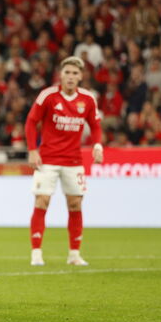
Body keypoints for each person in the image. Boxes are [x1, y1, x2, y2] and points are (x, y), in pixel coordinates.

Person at [26, 56, 104, 266]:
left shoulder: (87, 99)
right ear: (61, 75)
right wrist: (33, 150)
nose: (71, 77)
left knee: (75, 204)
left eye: (75, 73)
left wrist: (97, 145)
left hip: (73, 160)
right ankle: (36, 253)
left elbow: (95, 126)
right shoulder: (48, 96)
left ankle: (74, 254)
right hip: (47, 159)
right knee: (42, 201)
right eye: (67, 72)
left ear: (81, 77)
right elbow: (31, 122)